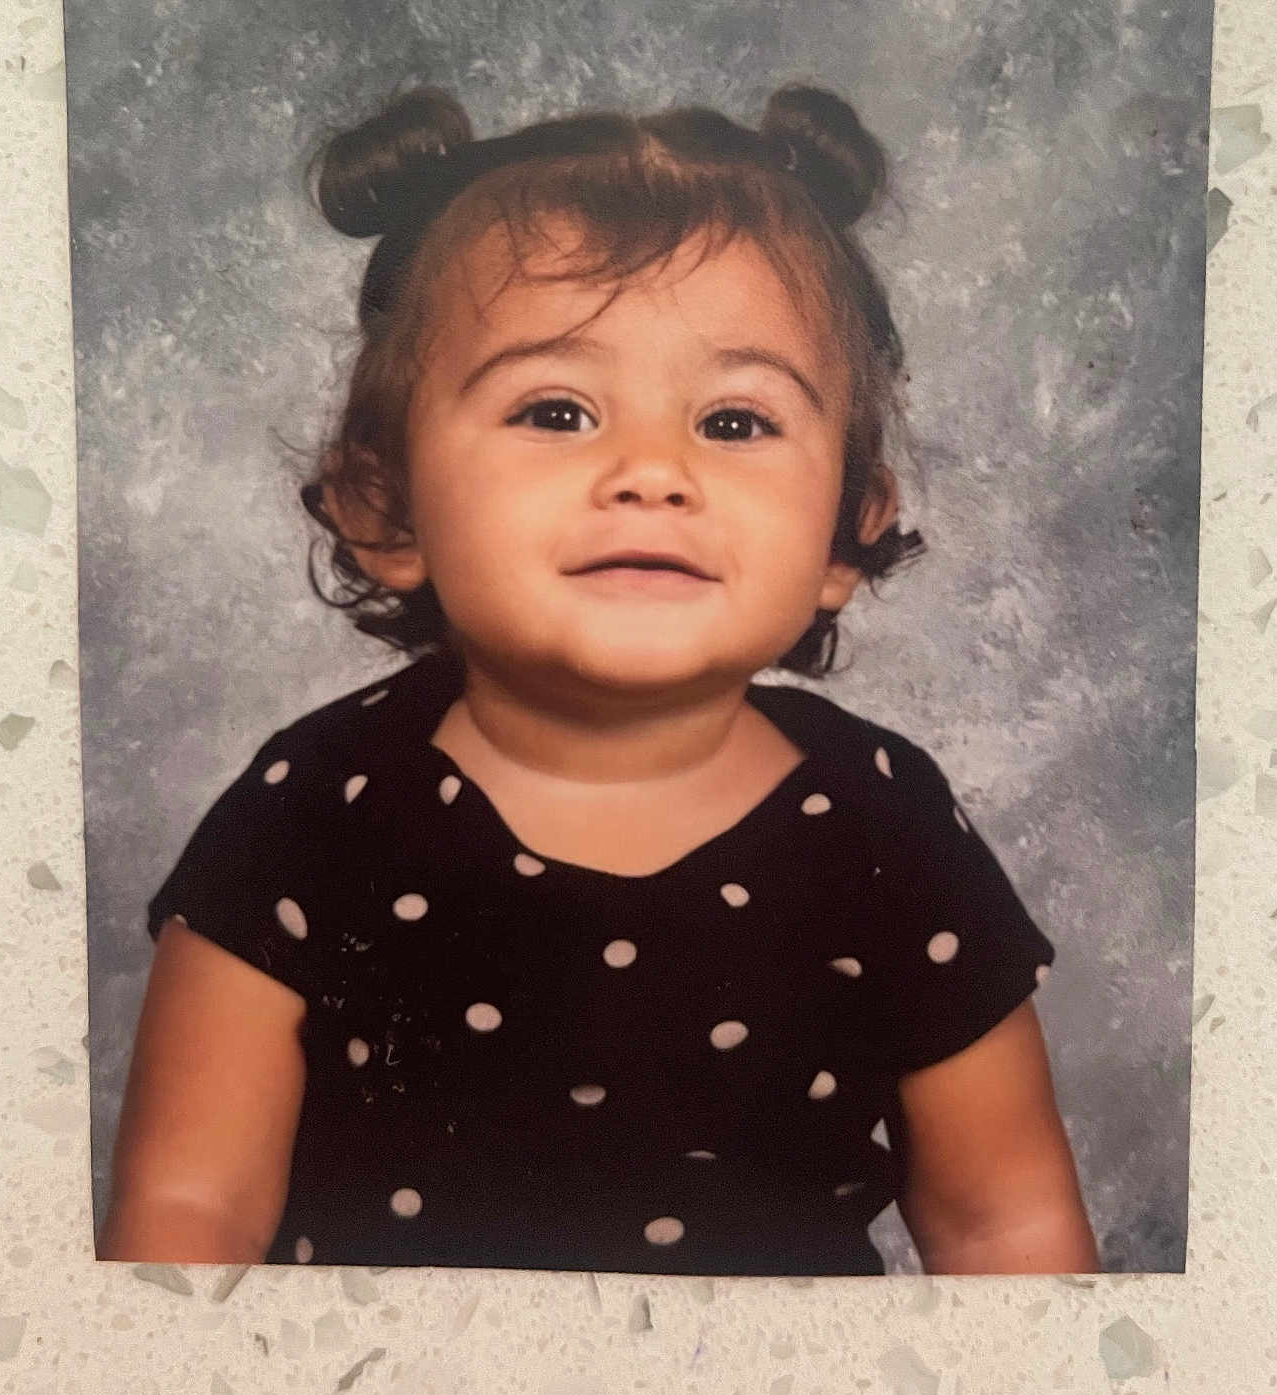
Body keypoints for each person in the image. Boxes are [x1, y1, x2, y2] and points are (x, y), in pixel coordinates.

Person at [97, 82, 1097, 1275]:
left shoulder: (883, 826)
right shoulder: (316, 805)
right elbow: (189, 1214)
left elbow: (1007, 1224)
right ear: (383, 502)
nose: (650, 473)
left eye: (734, 424)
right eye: (558, 410)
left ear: (845, 530)